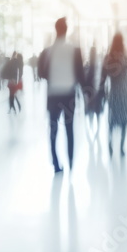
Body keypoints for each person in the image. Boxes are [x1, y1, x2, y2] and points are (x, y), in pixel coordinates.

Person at [38, 18, 85, 173]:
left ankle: (56, 164)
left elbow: (41, 73)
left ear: (55, 29)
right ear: (66, 30)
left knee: (53, 130)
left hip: (52, 95)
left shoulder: (46, 51)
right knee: (69, 128)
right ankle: (71, 160)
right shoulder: (75, 50)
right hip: (69, 95)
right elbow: (80, 75)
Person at [101, 33, 127, 156]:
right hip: (125, 92)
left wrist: (103, 93)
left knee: (112, 120)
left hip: (114, 92)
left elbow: (103, 77)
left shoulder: (108, 58)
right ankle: (121, 147)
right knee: (124, 119)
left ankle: (109, 144)